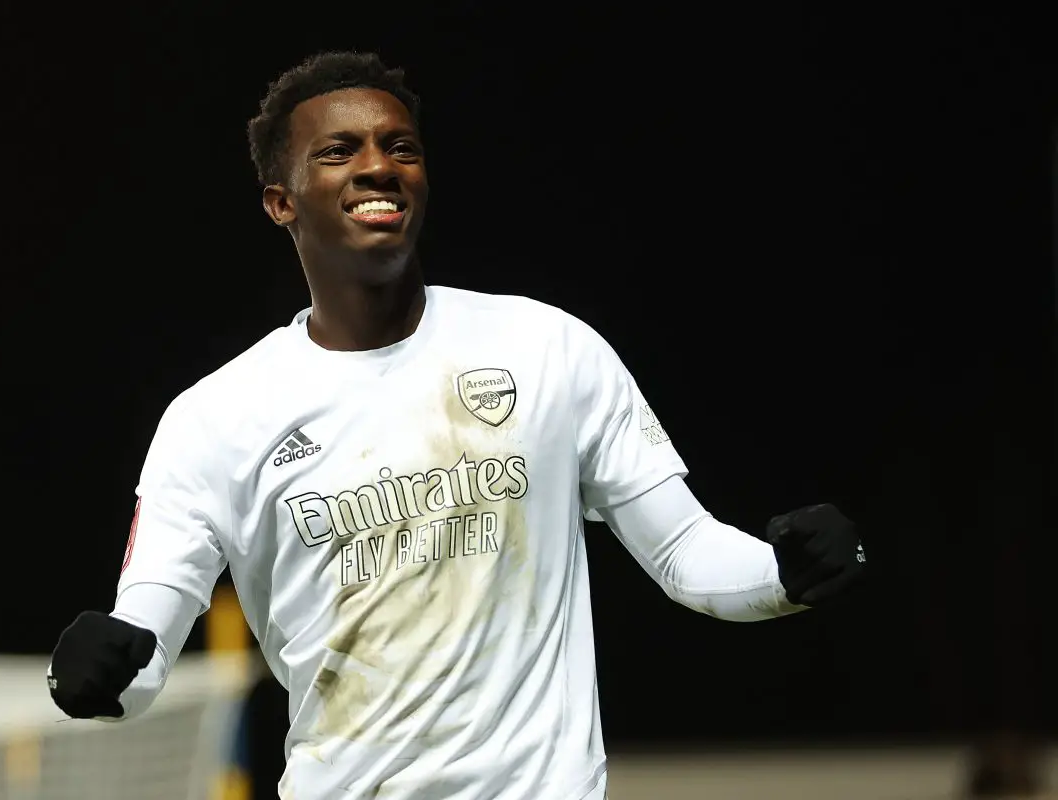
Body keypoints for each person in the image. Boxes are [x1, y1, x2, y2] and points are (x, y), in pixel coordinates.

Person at [47, 51, 866, 799]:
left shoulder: (547, 348)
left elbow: (686, 553)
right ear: (280, 201)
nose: (378, 165)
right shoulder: (213, 420)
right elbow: (142, 643)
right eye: (339, 151)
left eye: (400, 146)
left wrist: (782, 573)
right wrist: (99, 673)